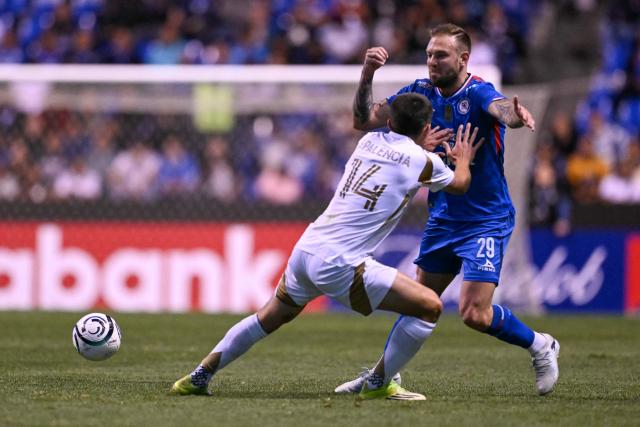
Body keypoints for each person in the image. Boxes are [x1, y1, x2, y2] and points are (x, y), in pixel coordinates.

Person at [171, 93, 484, 400]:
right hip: (342, 263)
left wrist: (416, 144)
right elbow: (460, 185)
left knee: (268, 316)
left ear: (390, 121)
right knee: (430, 306)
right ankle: (379, 382)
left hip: (307, 249)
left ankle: (200, 374)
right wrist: (464, 161)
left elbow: (399, 156)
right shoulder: (423, 161)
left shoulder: (369, 141)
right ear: (427, 127)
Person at [336, 23, 559, 397]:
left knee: (474, 314)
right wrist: (367, 73)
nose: (432, 62)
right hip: (443, 218)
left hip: (485, 218)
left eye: (440, 55)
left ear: (463, 58)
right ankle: (380, 377)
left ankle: (540, 345)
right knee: (419, 304)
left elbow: (501, 109)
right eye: (428, 54)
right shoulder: (420, 93)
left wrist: (516, 114)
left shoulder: (478, 91)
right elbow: (363, 121)